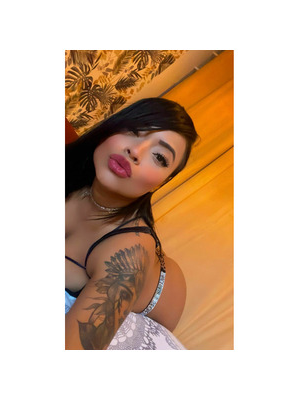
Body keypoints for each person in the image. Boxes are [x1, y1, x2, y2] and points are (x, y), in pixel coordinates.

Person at [65, 97, 199, 350]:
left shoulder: (128, 254)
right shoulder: (71, 176)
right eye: (133, 131)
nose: (135, 152)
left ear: (161, 183)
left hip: (152, 314)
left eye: (159, 157)